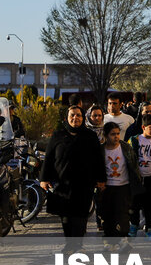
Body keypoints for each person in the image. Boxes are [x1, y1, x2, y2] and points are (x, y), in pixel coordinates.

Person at [40, 105, 105, 248]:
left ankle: (77, 245)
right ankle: (70, 244)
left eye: (78, 115)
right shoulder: (58, 135)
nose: (75, 118)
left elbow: (98, 160)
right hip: (62, 185)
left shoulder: (90, 136)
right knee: (66, 218)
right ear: (67, 118)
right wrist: (44, 179)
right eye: (72, 115)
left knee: (81, 217)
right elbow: (49, 158)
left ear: (83, 118)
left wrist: (101, 180)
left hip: (84, 185)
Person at [100, 122, 141, 239]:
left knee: (123, 215)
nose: (116, 136)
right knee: (107, 215)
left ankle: (123, 238)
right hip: (107, 187)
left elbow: (134, 165)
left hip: (123, 186)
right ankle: (109, 240)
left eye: (118, 134)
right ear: (106, 135)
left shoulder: (126, 148)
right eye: (113, 134)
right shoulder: (101, 150)